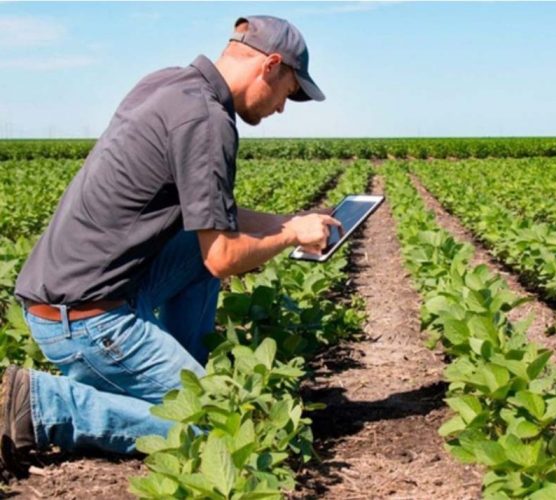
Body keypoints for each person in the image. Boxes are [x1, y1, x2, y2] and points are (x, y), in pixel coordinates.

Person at [0, 15, 340, 480]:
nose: (284, 106)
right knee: (220, 427)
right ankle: (43, 404)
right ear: (271, 65)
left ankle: (178, 373)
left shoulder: (169, 85)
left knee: (196, 250)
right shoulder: (207, 121)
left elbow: (215, 221)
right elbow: (223, 255)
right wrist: (289, 237)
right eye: (290, 90)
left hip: (78, 294)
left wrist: (290, 221)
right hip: (84, 320)